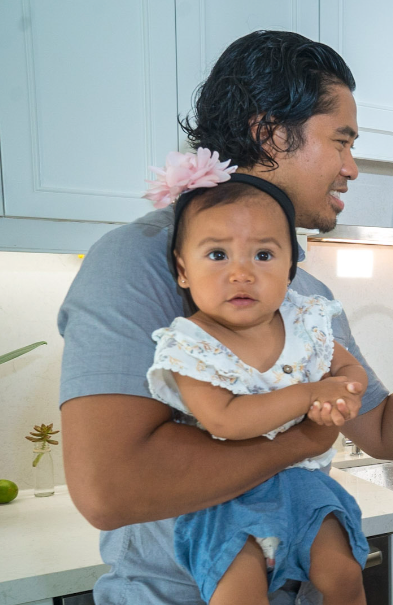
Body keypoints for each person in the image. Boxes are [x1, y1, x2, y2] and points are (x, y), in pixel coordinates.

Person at [58, 31, 393, 605]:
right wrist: (301, 439)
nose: (352, 167)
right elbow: (109, 488)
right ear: (269, 134)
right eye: (342, 141)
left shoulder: (304, 290)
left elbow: (383, 433)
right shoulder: (137, 261)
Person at [146, 173, 369, 604]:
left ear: (290, 269)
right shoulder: (190, 344)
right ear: (182, 269)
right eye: (217, 254)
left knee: (344, 574)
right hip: (225, 495)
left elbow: (347, 368)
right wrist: (308, 396)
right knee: (240, 595)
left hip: (302, 485)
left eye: (263, 254)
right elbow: (224, 419)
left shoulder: (305, 320)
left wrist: (343, 395)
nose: (241, 273)